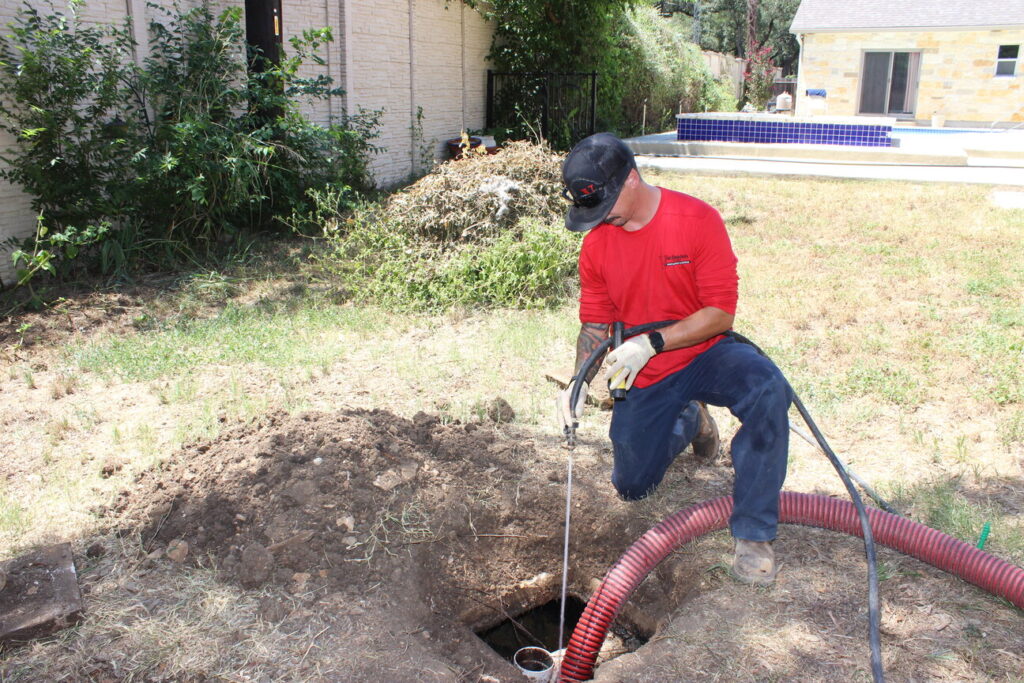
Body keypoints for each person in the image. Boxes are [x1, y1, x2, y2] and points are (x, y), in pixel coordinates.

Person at [556, 132, 792, 585]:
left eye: (605, 206)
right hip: (646, 373)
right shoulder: (598, 246)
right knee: (632, 486)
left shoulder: (696, 220)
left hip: (706, 351)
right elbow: (595, 325)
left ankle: (754, 533)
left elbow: (720, 314)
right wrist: (579, 381)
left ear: (630, 179)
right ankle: (691, 421)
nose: (601, 220)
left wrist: (653, 342)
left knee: (766, 388)